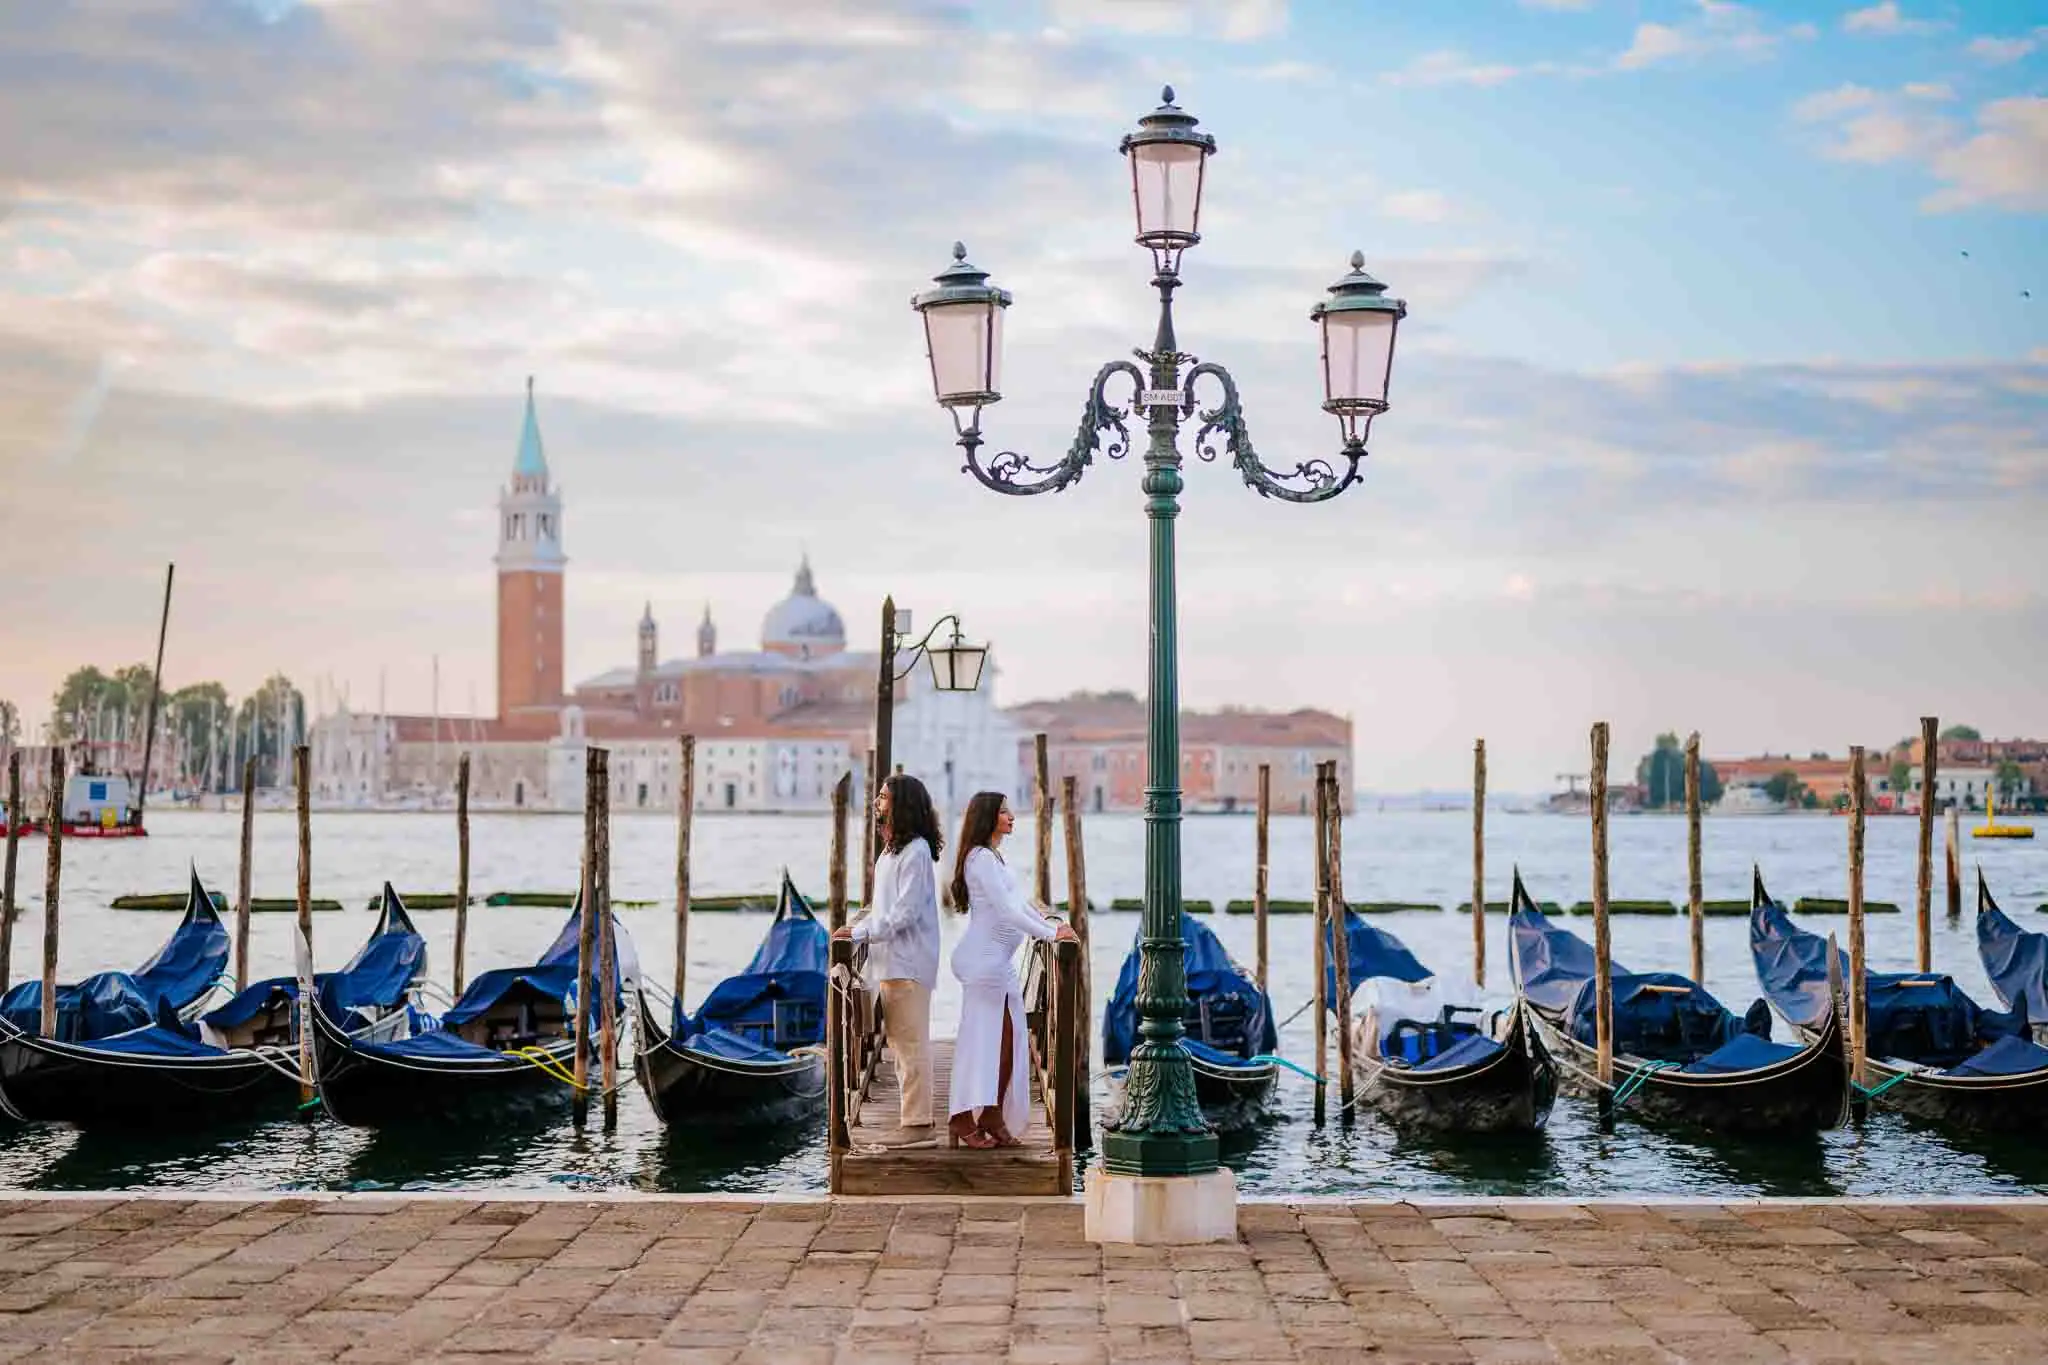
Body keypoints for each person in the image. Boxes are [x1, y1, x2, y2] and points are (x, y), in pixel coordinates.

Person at [945, 791, 1078, 1149]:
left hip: (996, 964)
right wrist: (1053, 933)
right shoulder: (981, 860)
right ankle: (962, 1116)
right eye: (1004, 811)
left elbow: (1021, 906)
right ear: (988, 817)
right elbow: (1006, 912)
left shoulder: (994, 858)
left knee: (1008, 1041)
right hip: (983, 963)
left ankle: (990, 1111)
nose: (1012, 816)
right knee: (985, 1043)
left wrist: (1052, 925)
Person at [834, 773, 943, 1140]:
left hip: (908, 961)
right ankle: (913, 1119)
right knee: (899, 1043)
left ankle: (919, 1125)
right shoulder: (892, 849)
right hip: (891, 960)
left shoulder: (916, 853)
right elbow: (885, 907)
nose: (877, 803)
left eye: (883, 797)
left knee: (910, 1045)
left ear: (903, 804)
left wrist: (861, 931)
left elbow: (904, 913)